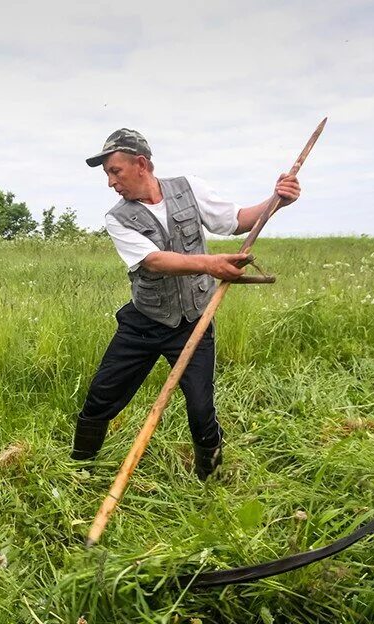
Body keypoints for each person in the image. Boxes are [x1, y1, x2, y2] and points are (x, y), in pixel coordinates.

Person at [70, 128, 301, 480]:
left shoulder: (188, 189)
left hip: (195, 318)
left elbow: (237, 220)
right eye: (107, 175)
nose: (110, 182)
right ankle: (78, 468)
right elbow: (154, 261)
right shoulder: (117, 218)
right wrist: (210, 264)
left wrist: (276, 201)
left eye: (115, 172)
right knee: (103, 396)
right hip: (144, 323)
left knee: (200, 406)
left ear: (141, 164)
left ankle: (210, 479)